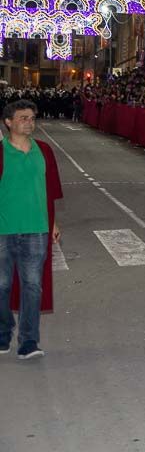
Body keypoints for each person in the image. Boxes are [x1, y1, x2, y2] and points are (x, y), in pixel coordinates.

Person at [0, 99, 63, 360]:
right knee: (1, 285)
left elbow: (50, 190)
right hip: (3, 229)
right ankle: (3, 333)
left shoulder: (45, 151)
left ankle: (29, 341)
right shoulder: (0, 152)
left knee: (32, 286)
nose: (29, 122)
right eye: (23, 117)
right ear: (8, 122)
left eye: (32, 117)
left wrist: (54, 223)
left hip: (37, 229)